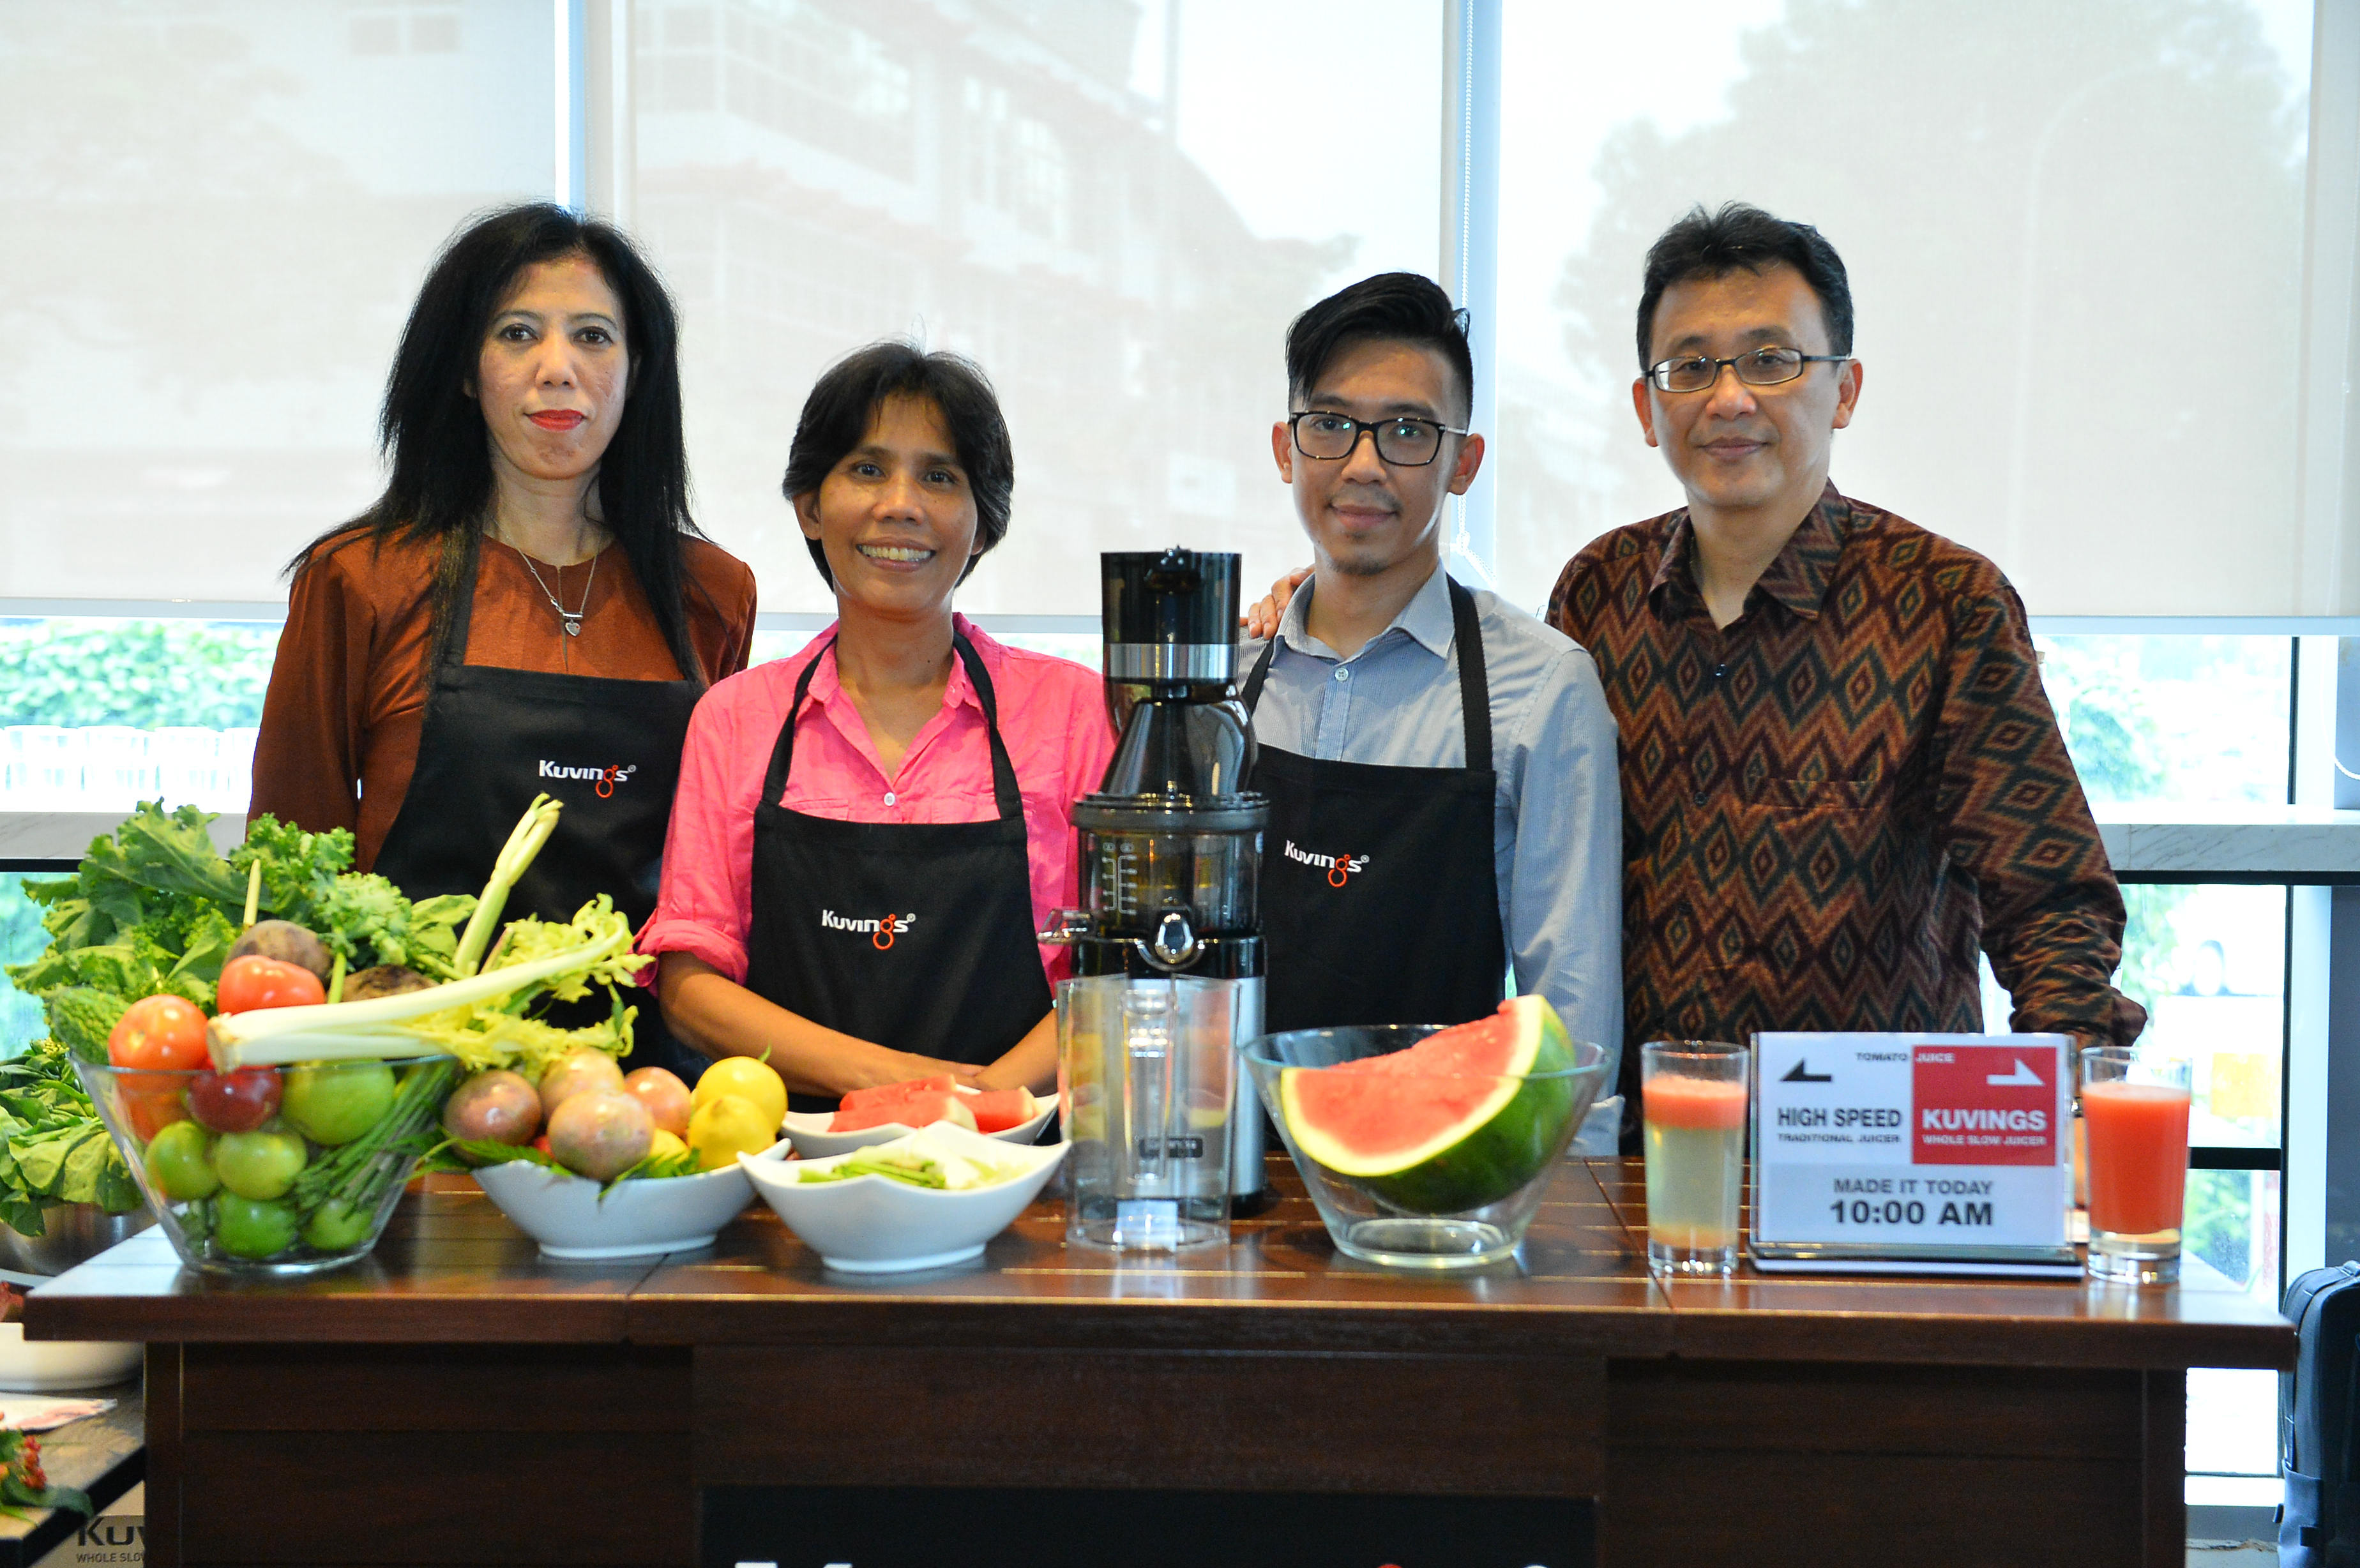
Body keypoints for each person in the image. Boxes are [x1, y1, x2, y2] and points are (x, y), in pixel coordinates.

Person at [251, 202, 756, 1076]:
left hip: (637, 1089)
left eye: (594, 337)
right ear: (462, 370)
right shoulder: (361, 579)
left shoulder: (712, 596)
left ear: (638, 372)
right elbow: (291, 870)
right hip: (405, 1083)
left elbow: (711, 886)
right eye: (518, 333)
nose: (558, 370)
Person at [640, 343, 1114, 1106]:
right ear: (810, 506)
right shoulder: (734, 719)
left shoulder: (1073, 711)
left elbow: (1114, 968)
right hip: (791, 1170)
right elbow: (691, 983)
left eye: (940, 475)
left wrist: (989, 1098)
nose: (902, 503)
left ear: (983, 524)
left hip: (1019, 1155)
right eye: (867, 469)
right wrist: (900, 1085)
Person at [1239, 273, 1624, 1090]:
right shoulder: (1224, 680)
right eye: (1332, 425)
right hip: (1228, 1170)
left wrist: (1569, 1200)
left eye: (1409, 430)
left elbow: (1571, 1015)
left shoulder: (1543, 688)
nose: (1365, 463)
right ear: (1286, 448)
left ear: (1463, 461)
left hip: (1441, 1181)